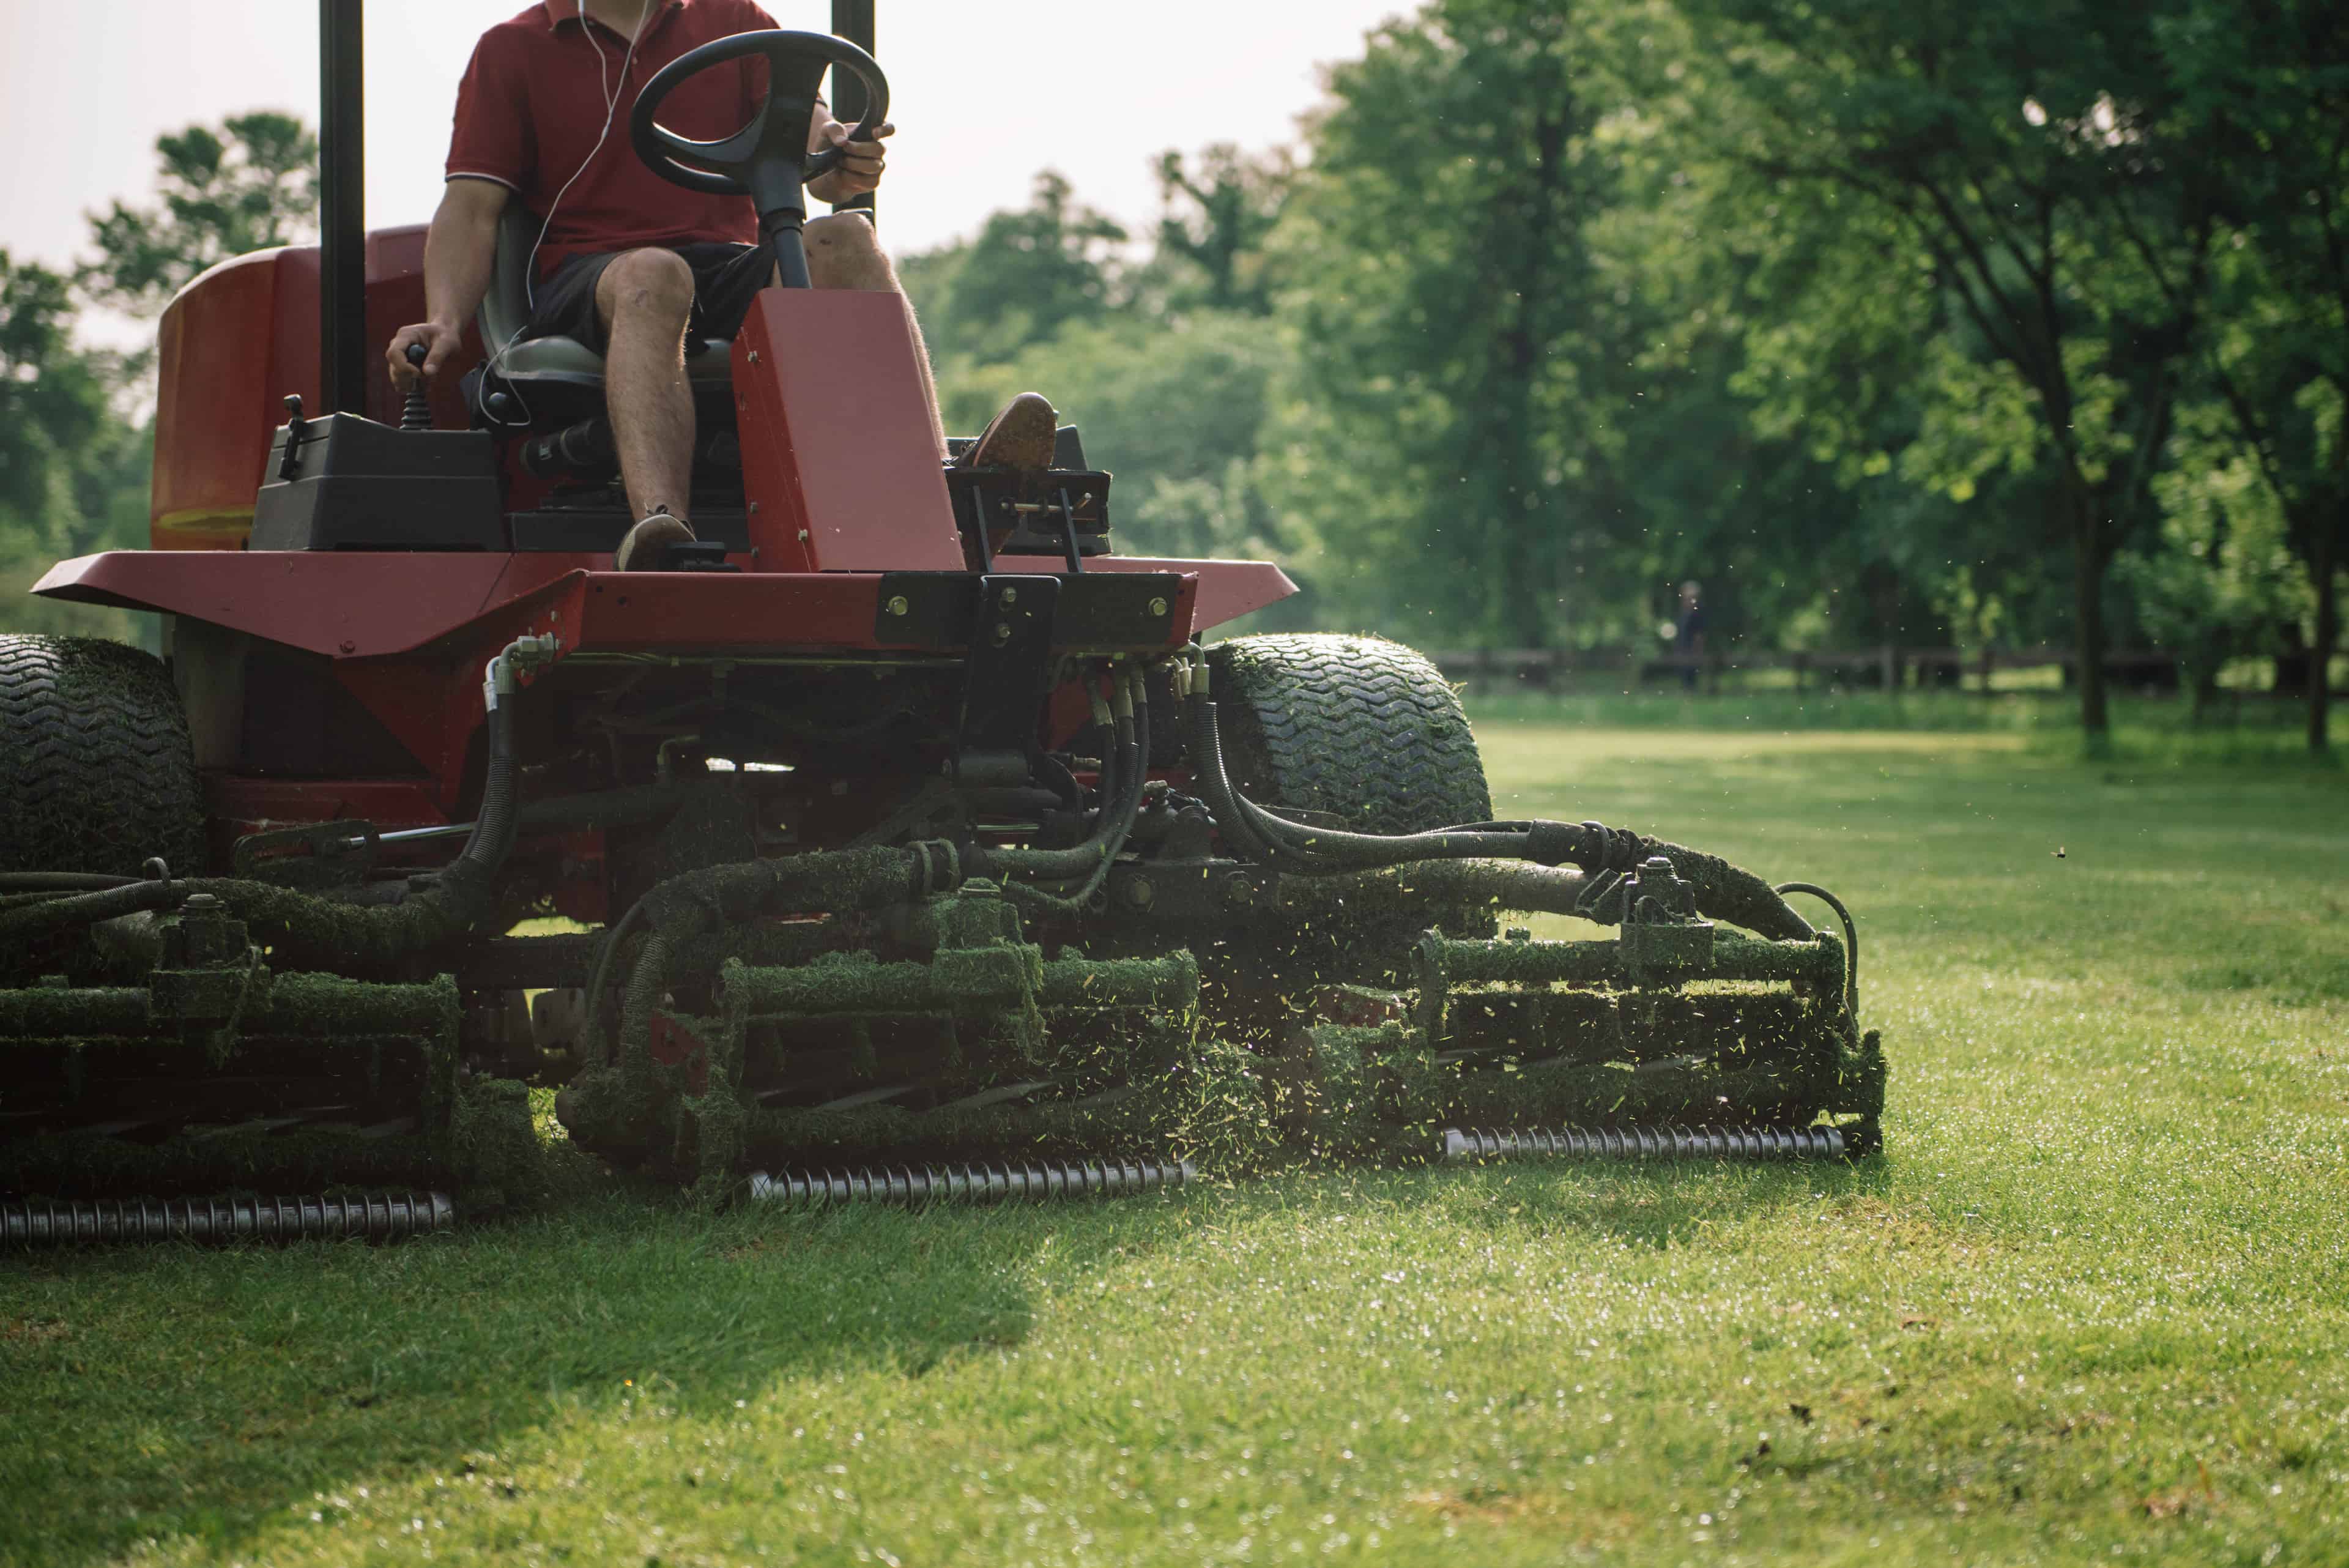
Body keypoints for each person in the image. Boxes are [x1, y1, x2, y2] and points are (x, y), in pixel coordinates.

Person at [386, 0, 1056, 569]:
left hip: (725, 264)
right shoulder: (514, 50)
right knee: (656, 272)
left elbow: (813, 146)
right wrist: (444, 319)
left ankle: (941, 496)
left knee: (843, 238)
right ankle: (658, 526)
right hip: (588, 275)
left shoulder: (733, 19)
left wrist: (839, 152)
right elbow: (472, 207)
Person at [1672, 580, 1707, 691]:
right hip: (1683, 650)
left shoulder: (1698, 614)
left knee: (1691, 677)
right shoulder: (1683, 613)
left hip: (1691, 651)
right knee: (1684, 677)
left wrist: (1697, 651)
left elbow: (1699, 636)